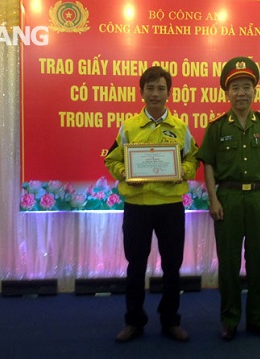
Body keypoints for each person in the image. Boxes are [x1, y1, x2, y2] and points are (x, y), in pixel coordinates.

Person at [196, 56, 260, 341]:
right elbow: (208, 165)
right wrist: (213, 199)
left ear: (255, 90)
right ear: (226, 92)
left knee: (258, 262)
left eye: (246, 86)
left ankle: (258, 319)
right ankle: (230, 319)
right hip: (229, 198)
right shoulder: (217, 127)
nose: (241, 93)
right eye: (235, 87)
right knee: (228, 264)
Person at [104, 66, 199, 343]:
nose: (155, 93)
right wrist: (125, 173)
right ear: (141, 91)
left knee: (172, 265)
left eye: (160, 88)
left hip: (170, 205)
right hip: (138, 205)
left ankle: (170, 321)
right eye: (150, 88)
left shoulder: (180, 128)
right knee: (135, 265)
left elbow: (194, 159)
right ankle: (134, 321)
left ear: (169, 93)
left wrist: (184, 171)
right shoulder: (129, 127)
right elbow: (112, 159)